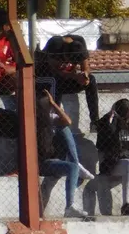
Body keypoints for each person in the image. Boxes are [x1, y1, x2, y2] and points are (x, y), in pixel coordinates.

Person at [36, 88, 94, 219]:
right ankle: (70, 206)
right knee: (72, 167)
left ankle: (76, 162)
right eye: (47, 106)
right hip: (45, 162)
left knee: (65, 128)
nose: (50, 110)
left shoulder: (53, 120)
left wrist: (54, 104)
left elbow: (68, 121)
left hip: (56, 159)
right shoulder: (36, 121)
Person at [38, 34, 100, 132]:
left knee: (91, 80)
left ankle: (95, 122)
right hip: (45, 79)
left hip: (66, 78)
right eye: (68, 60)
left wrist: (85, 76)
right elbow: (55, 71)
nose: (69, 62)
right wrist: (75, 76)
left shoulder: (80, 43)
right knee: (55, 81)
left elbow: (86, 67)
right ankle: (55, 120)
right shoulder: (55, 44)